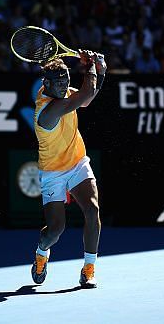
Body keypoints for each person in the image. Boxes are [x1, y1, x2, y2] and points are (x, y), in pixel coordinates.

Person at [31, 50, 107, 289]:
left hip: (76, 163)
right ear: (46, 84)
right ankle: (42, 252)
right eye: (59, 81)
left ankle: (88, 268)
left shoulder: (62, 93)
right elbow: (84, 93)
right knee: (56, 230)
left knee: (92, 209)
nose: (64, 84)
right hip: (52, 171)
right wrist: (92, 66)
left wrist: (99, 71)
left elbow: (87, 98)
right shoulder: (47, 112)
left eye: (66, 79)